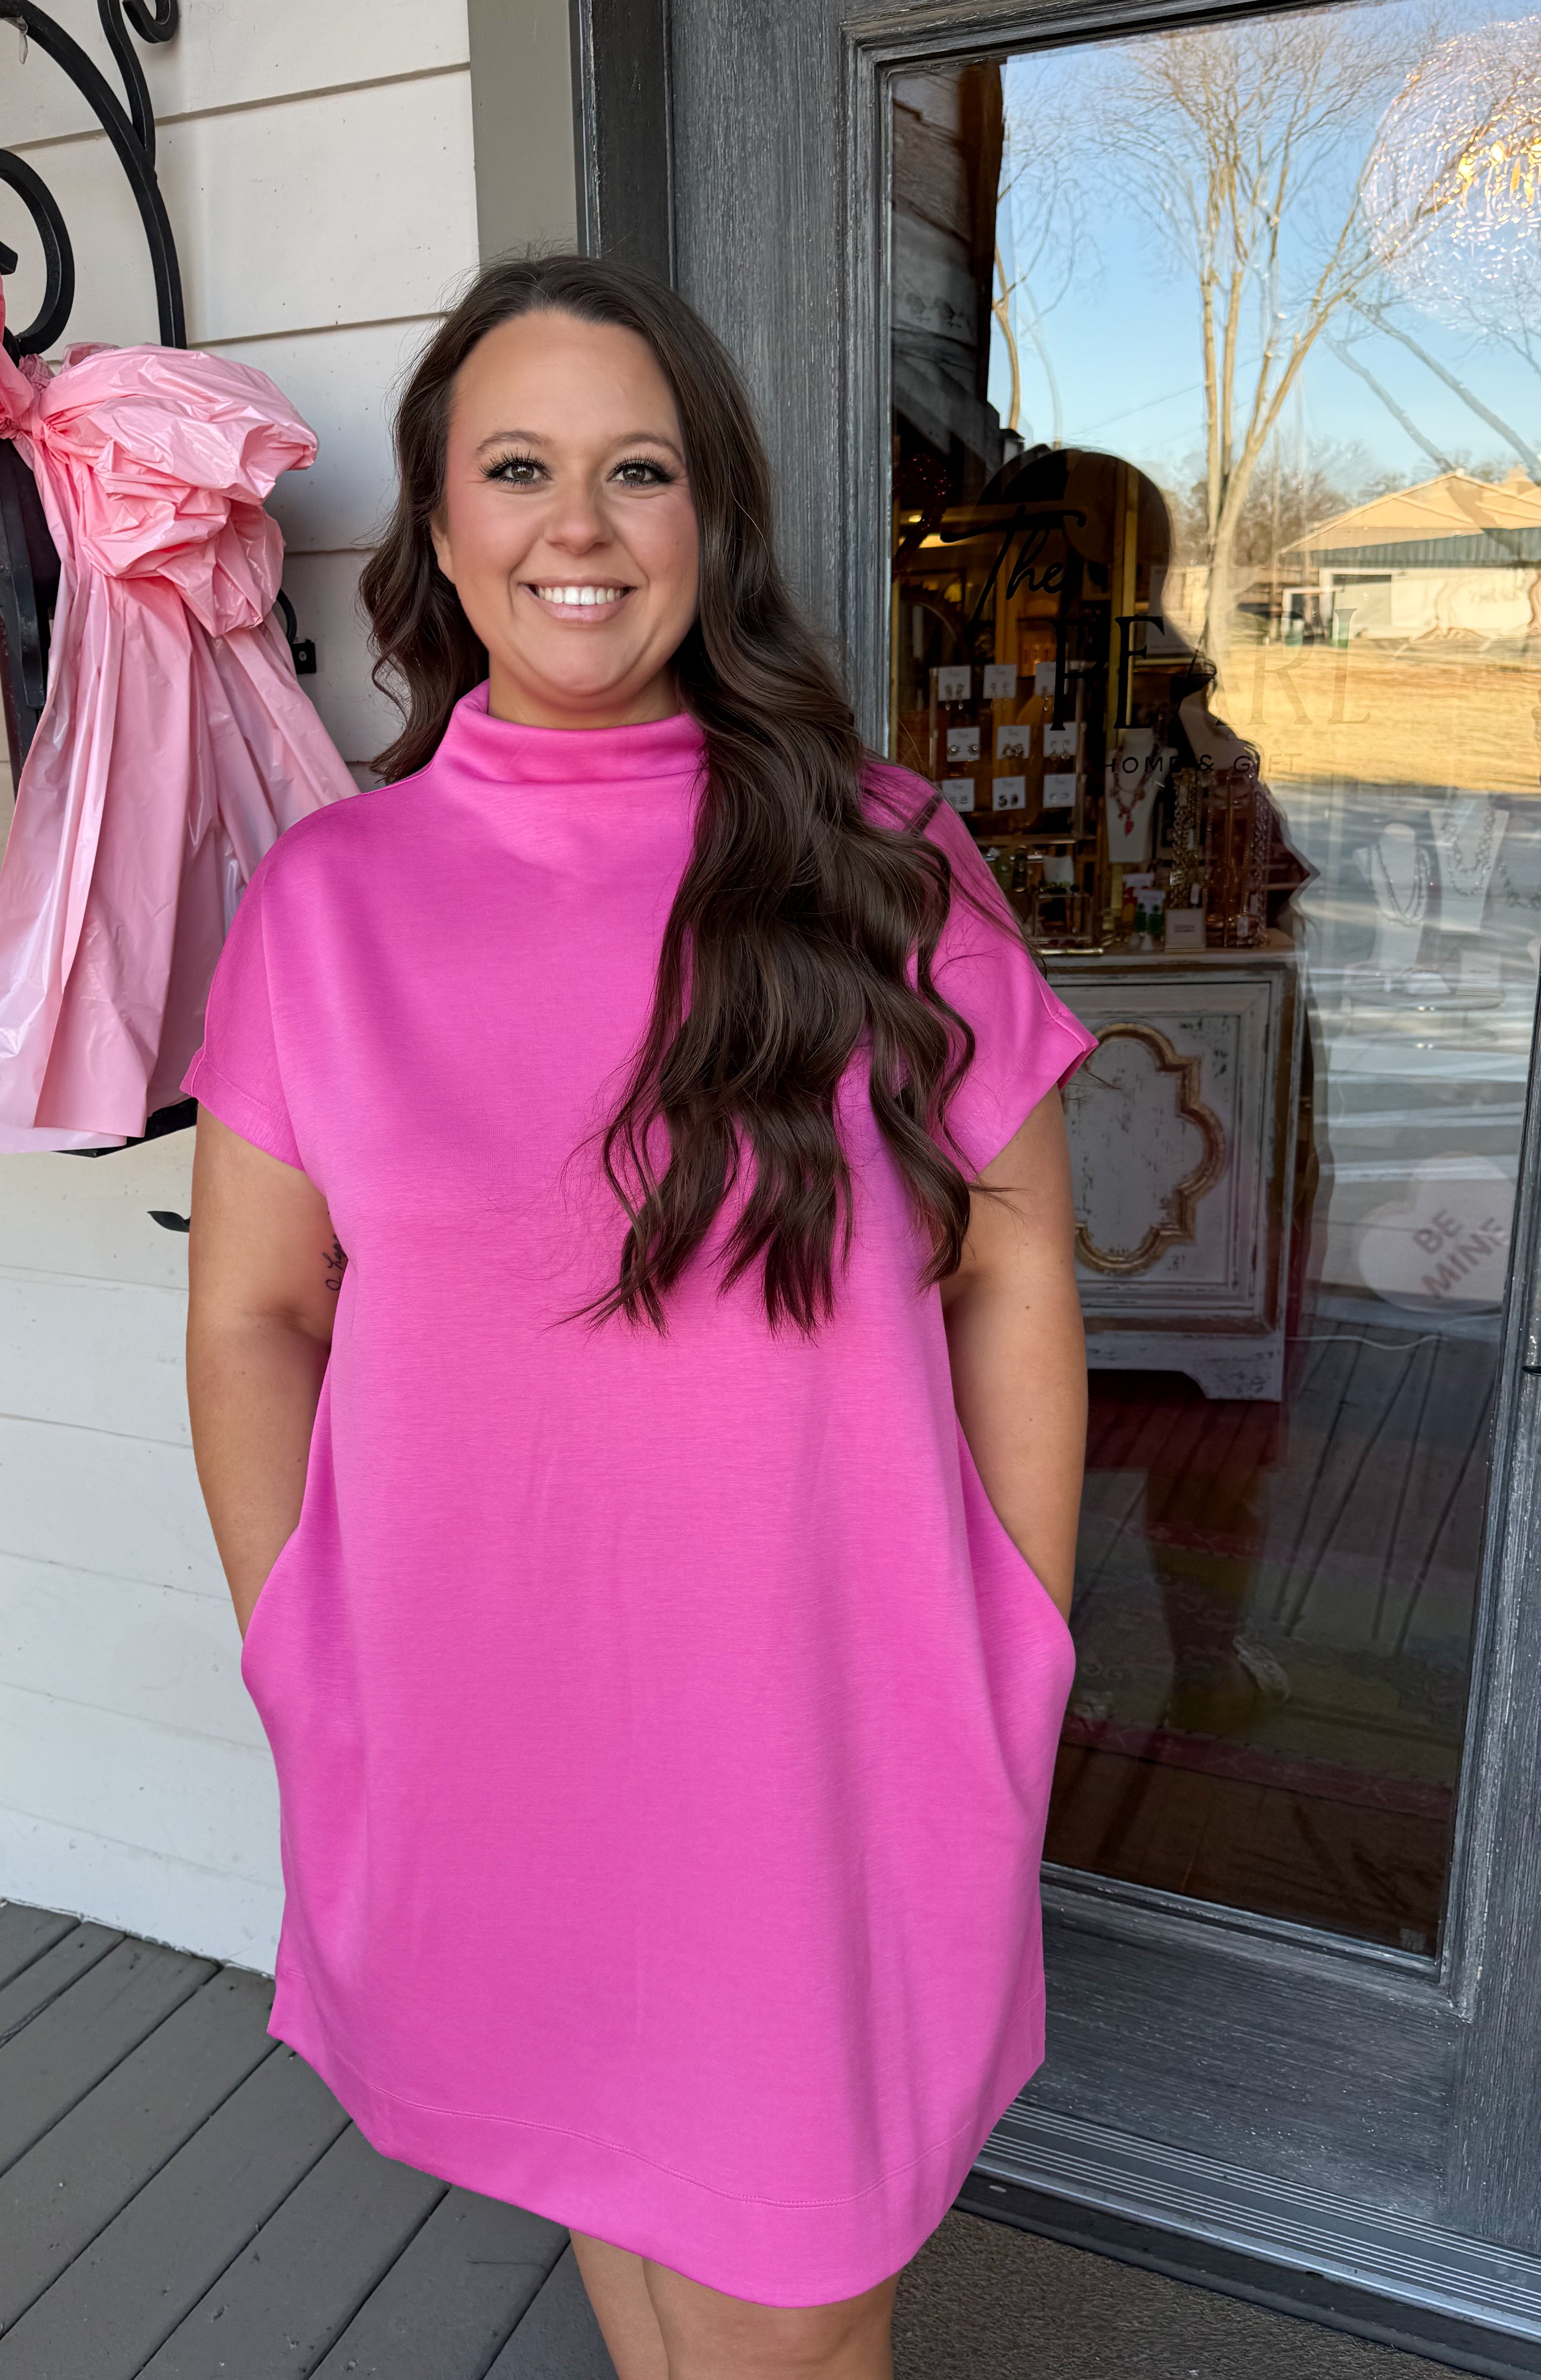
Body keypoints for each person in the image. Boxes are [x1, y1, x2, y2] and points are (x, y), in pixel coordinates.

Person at [183, 254, 1093, 2380]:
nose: (576, 526)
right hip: (491, 1732)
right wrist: (304, 1649)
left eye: (638, 471)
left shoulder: (882, 864)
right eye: (518, 469)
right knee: (616, 2194)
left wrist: (1014, 1641)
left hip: (820, 1742)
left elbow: (1021, 1262)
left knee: (796, 2312)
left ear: (710, 522)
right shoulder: (329, 908)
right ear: (439, 530)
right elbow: (253, 1320)